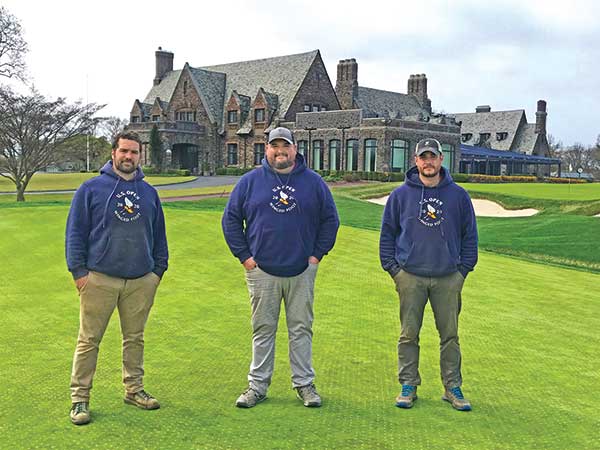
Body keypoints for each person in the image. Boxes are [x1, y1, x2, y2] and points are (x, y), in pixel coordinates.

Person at [222, 127, 339, 408]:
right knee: (263, 329)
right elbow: (230, 220)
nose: (280, 151)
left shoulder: (313, 182)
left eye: (284, 146)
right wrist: (246, 258)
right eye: (274, 146)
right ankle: (257, 386)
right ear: (266, 149)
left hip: (301, 270)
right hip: (262, 271)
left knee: (301, 329)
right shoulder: (250, 181)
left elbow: (330, 221)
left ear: (294, 149)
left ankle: (304, 384)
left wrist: (315, 258)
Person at [65, 131, 168, 425]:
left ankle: (133, 390)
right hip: (99, 278)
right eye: (124, 151)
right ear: (113, 153)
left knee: (134, 338)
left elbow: (159, 235)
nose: (129, 157)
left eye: (134, 152)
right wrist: (80, 274)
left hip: (140, 280)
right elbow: (75, 233)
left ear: (140, 155)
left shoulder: (149, 193)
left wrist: (157, 272)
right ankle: (79, 399)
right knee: (89, 340)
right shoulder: (91, 189)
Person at [379, 138, 478, 411]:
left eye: (433, 157)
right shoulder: (401, 195)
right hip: (410, 276)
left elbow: (470, 237)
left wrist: (462, 272)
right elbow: (387, 234)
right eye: (423, 157)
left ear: (441, 159)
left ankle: (452, 386)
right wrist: (395, 271)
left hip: (448, 277)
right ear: (416, 160)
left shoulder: (458, 195)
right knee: (409, 334)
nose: (428, 162)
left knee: (450, 336)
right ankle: (408, 384)